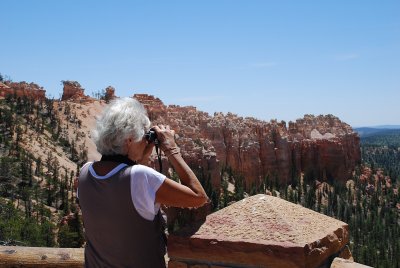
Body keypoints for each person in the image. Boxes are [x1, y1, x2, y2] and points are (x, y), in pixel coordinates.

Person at [78, 97, 208, 268]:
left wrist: (142, 156)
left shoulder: (86, 172)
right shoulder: (140, 176)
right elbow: (198, 197)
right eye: (144, 135)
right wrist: (171, 149)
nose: (147, 140)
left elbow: (121, 190)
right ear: (130, 139)